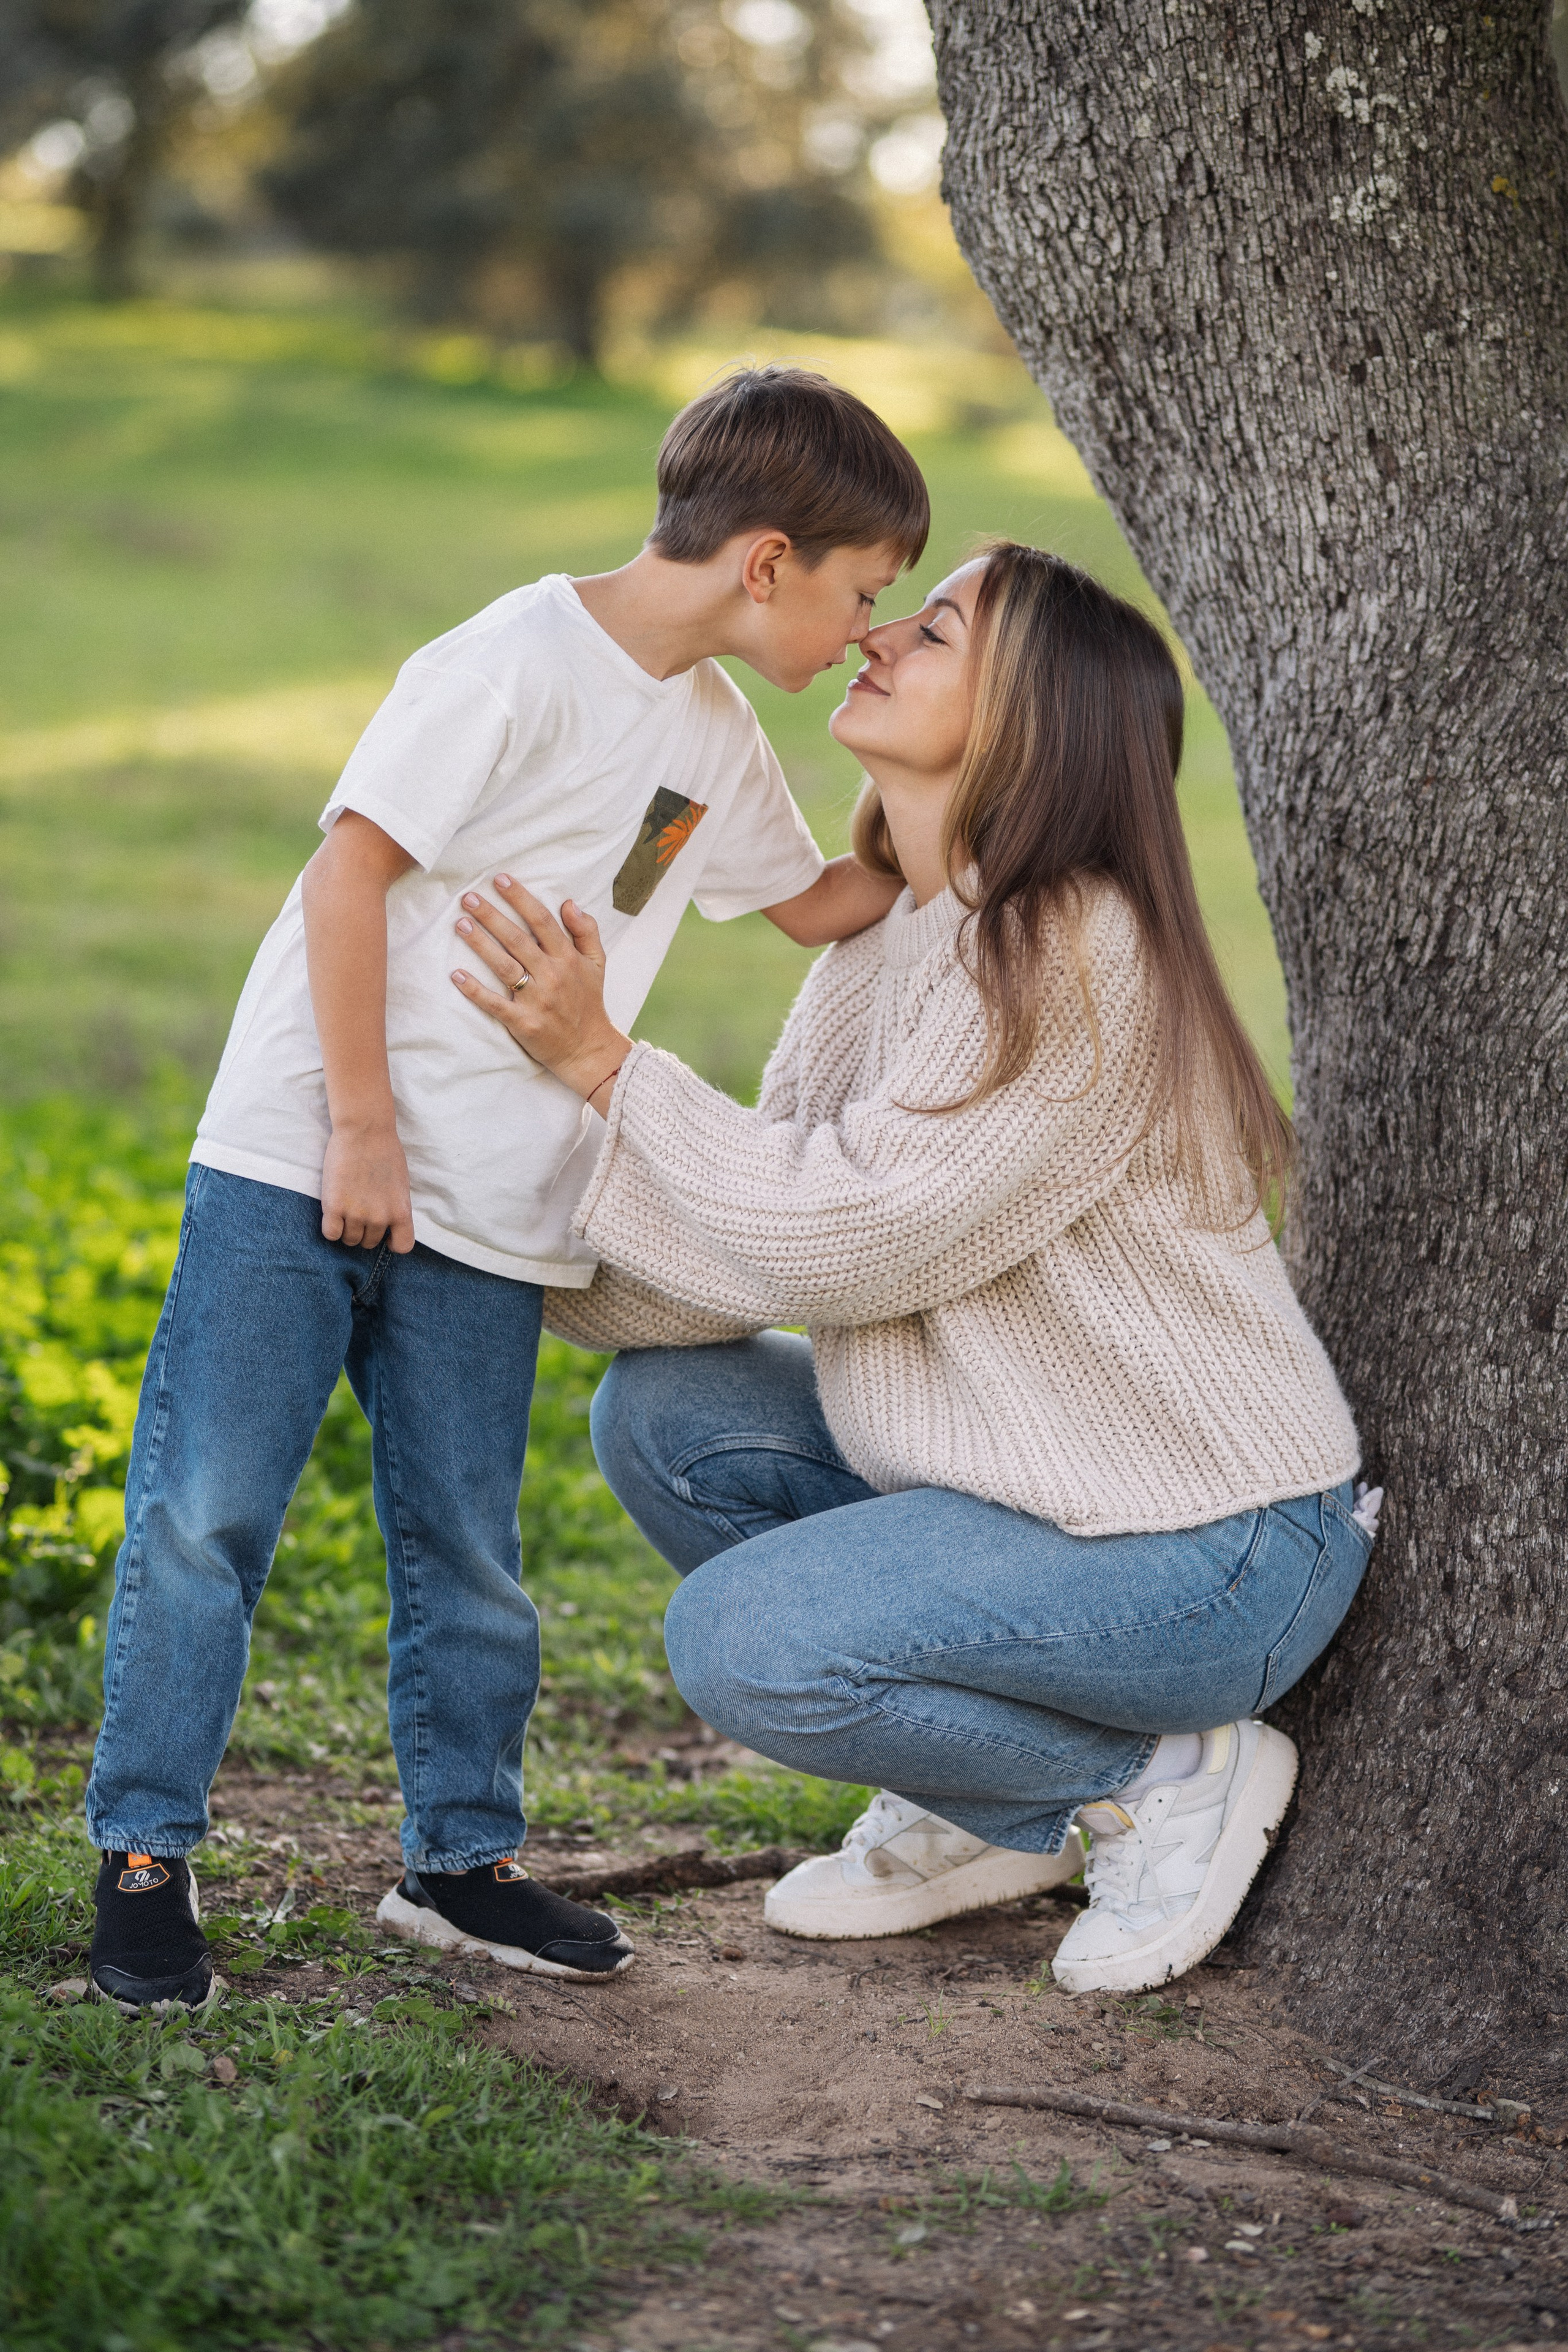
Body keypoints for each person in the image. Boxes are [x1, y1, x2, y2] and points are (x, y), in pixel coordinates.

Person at [83, 366, 930, 2012]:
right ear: (766, 563)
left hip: (493, 1210)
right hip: (305, 1153)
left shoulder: (710, 734)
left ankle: (459, 1864)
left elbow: (823, 902)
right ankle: (143, 1854)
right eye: (861, 599)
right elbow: (350, 871)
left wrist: (956, 767)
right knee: (208, 1516)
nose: (863, 634)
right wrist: (364, 1126)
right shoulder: (511, 660)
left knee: (466, 1546)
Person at [447, 540, 1381, 1997]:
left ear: (1030, 716)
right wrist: (485, 1250)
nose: (876, 638)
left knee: (744, 1642)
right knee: (667, 1415)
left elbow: (849, 1234)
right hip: (1032, 1490)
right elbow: (741, 1242)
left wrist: (606, 1070)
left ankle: (1138, 1779)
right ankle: (978, 1802)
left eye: (933, 629)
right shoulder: (889, 940)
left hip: (1203, 1544)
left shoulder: (1072, 946)